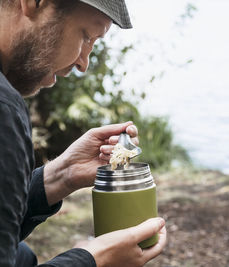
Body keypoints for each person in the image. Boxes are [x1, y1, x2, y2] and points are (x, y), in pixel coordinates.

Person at [0, 0, 167, 266]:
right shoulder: (4, 108)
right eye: (87, 36)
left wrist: (62, 175)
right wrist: (92, 260)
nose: (83, 64)